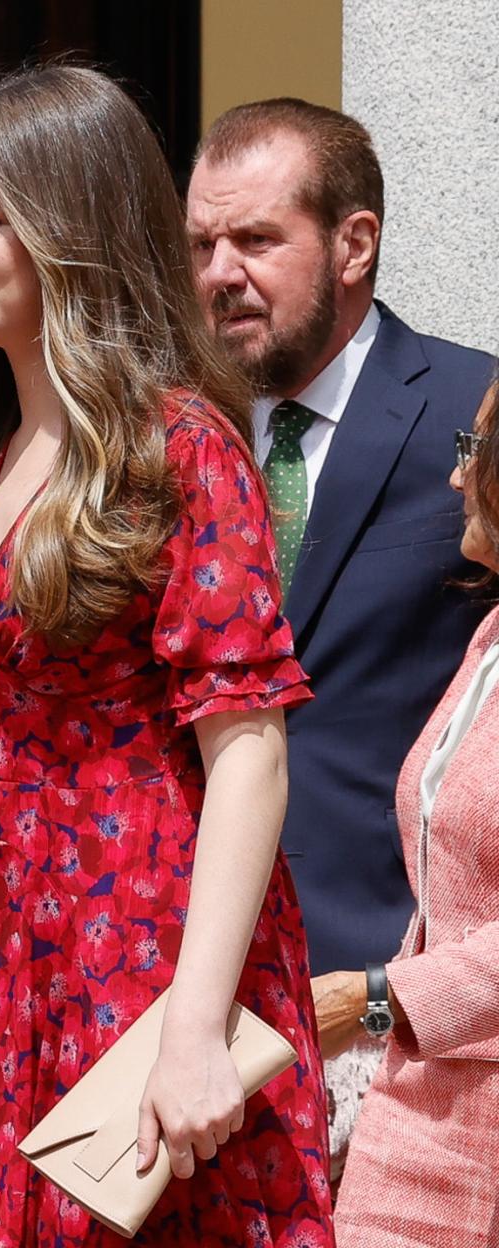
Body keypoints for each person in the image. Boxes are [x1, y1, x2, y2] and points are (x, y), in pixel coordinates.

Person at [0, 65, 333, 1247]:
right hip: (5, 938)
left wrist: (192, 1027)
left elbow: (249, 754)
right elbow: (6, 773)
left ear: (74, 229)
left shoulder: (180, 448)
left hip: (148, 938)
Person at [186, 99, 493, 980]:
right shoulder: (168, 436)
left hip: (392, 974)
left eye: (255, 240)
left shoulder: (474, 417)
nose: (220, 273)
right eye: (203, 245)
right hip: (179, 969)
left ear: (354, 245)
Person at [326, 389, 499, 1247]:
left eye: (480, 447)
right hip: (414, 1116)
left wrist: (373, 1002)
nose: (457, 474)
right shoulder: (491, 633)